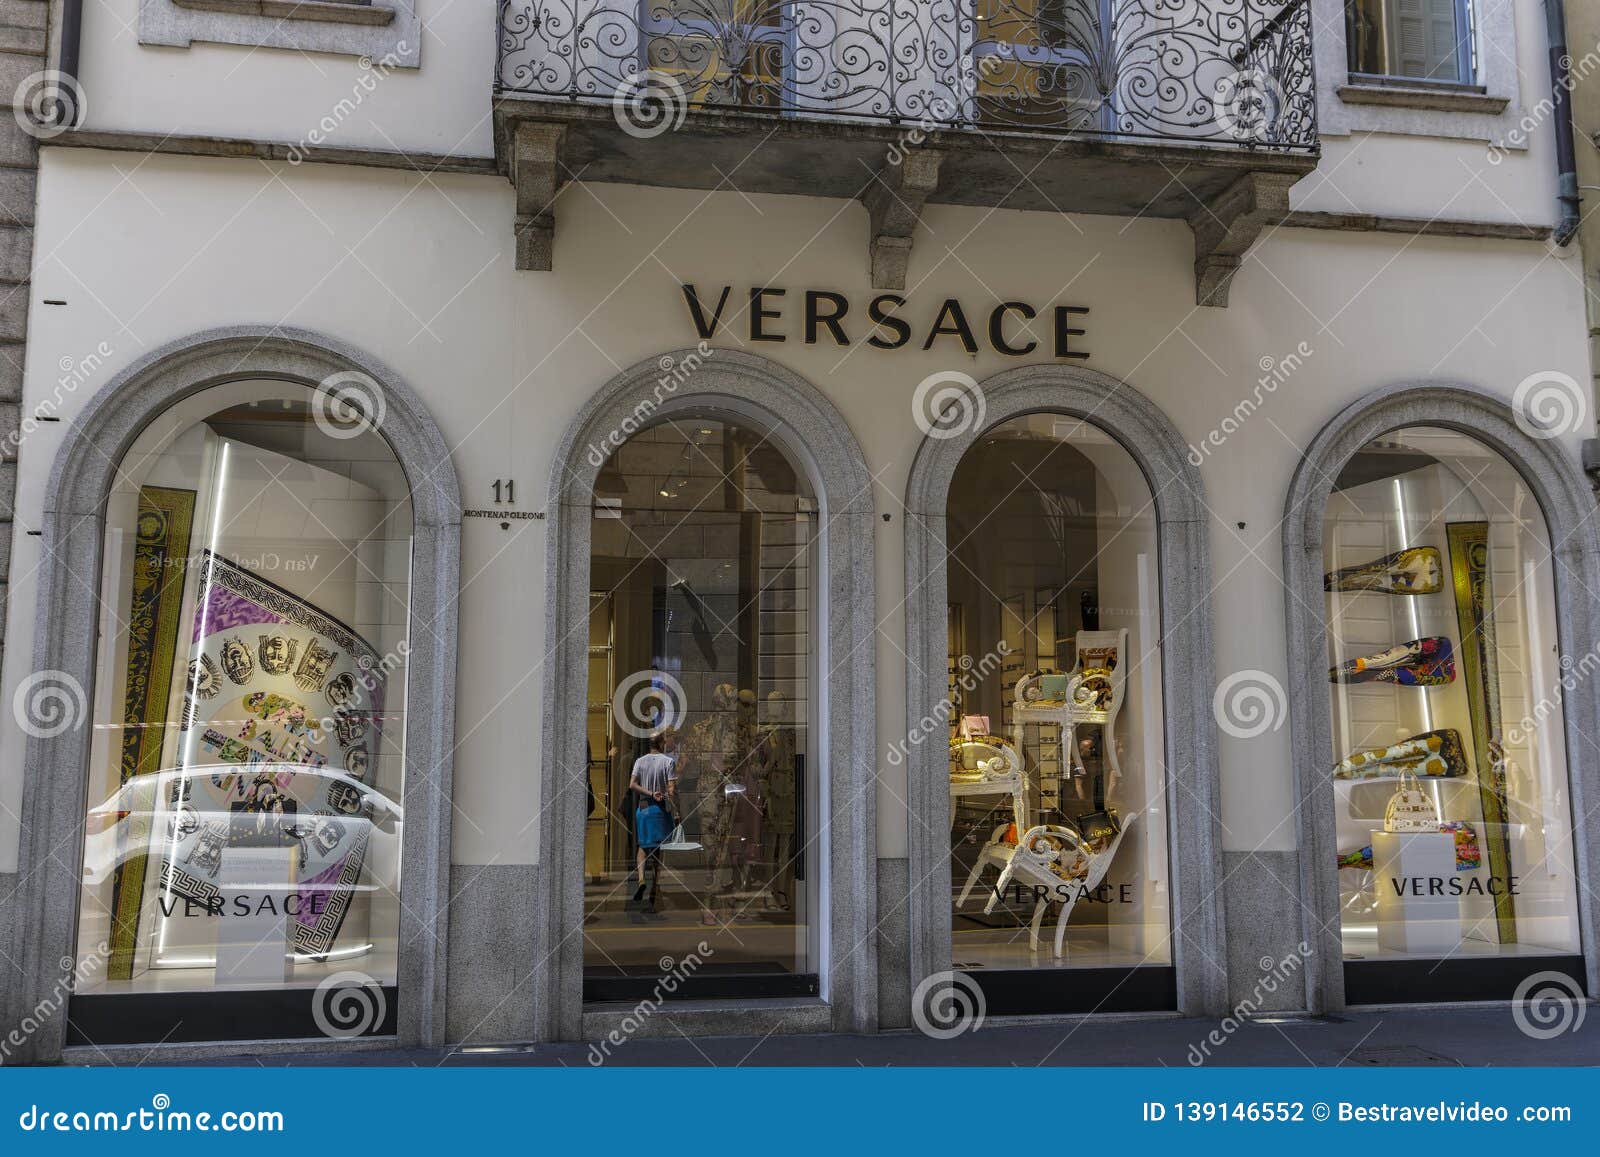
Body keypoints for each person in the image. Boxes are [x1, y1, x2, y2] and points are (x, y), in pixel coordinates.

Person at [628, 733, 678, 913]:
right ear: (662, 743)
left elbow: (632, 784)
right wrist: (662, 793)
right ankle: (655, 889)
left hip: (643, 808)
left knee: (642, 847)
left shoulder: (640, 761)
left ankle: (641, 879)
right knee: (658, 851)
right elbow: (671, 791)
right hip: (660, 809)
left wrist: (649, 792)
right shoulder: (668, 762)